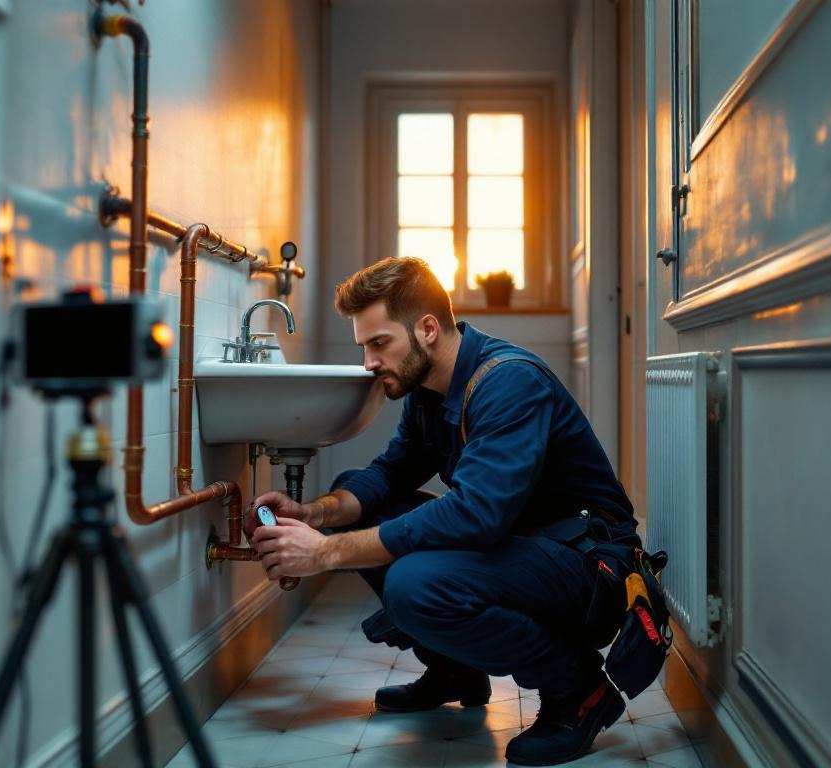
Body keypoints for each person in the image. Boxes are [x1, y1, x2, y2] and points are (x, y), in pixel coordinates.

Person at [247, 256, 641, 766]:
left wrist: (326, 554)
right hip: (525, 549)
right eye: (364, 346)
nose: (369, 362)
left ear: (427, 329)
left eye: (379, 343)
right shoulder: (430, 391)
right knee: (355, 499)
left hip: (589, 565)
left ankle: (580, 689)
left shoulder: (509, 382)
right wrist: (316, 514)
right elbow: (386, 475)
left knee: (418, 584)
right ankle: (455, 669)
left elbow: (476, 515)